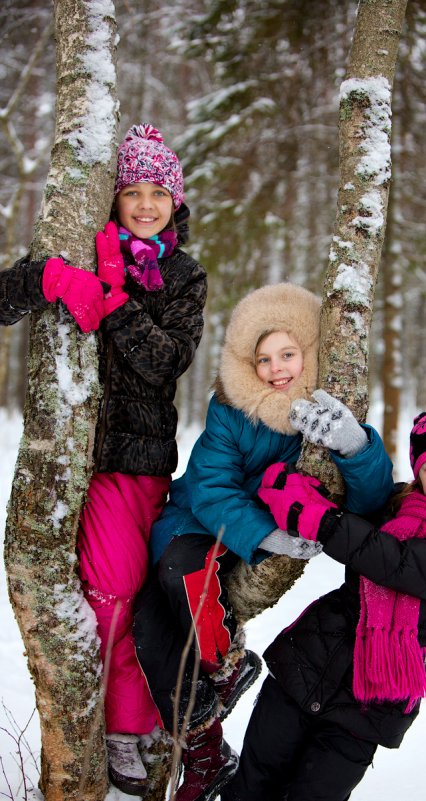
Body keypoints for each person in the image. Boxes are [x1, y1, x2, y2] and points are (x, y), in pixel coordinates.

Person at [1, 123, 207, 796]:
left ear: (176, 201)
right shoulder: (86, 248)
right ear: (113, 199)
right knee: (104, 599)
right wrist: (56, 276)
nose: (145, 204)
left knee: (129, 599)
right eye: (132, 191)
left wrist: (116, 302)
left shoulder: (182, 274)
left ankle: (137, 728)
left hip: (139, 461)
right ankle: (124, 726)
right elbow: (4, 298)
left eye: (158, 191)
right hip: (77, 460)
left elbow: (165, 363)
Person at [133, 282, 395, 801]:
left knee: (181, 586)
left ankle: (219, 684)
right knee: (150, 616)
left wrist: (355, 446)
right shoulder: (232, 409)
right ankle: (209, 739)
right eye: (263, 359)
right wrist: (266, 534)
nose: (277, 369)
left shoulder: (325, 412)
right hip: (199, 519)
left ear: (309, 354)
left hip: (234, 533)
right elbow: (209, 485)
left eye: (288, 355)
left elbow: (370, 501)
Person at [221, 404, 426, 801]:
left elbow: (400, 564)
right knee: (249, 790)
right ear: (418, 473)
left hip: (370, 705)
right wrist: (330, 470)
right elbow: (365, 492)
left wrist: (322, 520)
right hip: (304, 665)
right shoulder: (394, 508)